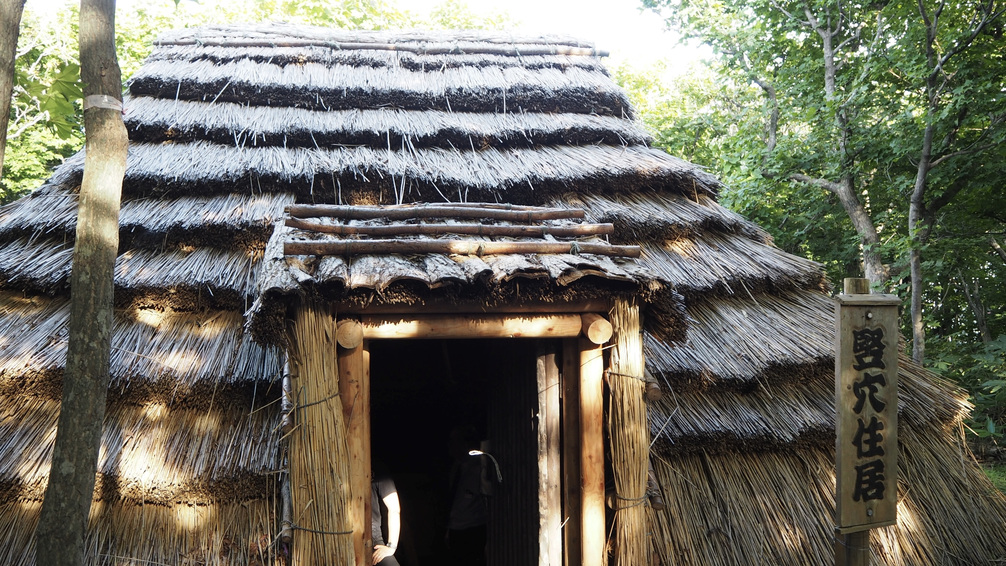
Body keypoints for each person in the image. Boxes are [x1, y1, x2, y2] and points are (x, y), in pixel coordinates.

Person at [446, 426, 488, 566]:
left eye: (455, 441)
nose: (451, 445)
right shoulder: (457, 467)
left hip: (473, 528)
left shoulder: (478, 467)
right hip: (456, 527)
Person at [372, 463, 402, 566]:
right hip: (340, 537)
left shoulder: (376, 470)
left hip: (372, 540)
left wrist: (391, 546)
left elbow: (394, 509)